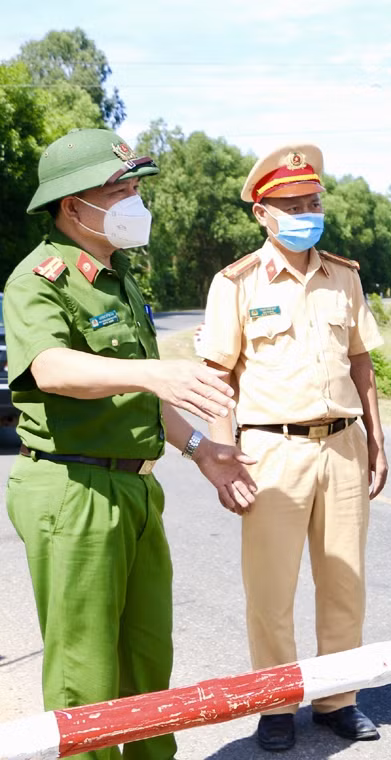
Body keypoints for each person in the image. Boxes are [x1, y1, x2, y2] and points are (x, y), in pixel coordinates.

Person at [3, 128, 258, 760]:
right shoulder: (39, 278)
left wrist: (201, 450)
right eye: (120, 191)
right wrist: (154, 372)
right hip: (73, 490)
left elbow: (139, 394)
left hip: (135, 488)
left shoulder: (121, 279)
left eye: (135, 189)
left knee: (146, 659)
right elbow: (49, 368)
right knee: (85, 673)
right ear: (73, 205)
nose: (134, 202)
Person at [196, 143, 388, 752]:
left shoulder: (344, 276)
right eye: (292, 205)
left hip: (343, 445)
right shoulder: (236, 283)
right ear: (262, 213)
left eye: (313, 202)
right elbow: (217, 378)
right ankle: (276, 703)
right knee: (271, 590)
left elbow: (361, 362)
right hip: (271, 450)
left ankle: (338, 699)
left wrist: (377, 440)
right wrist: (223, 456)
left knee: (344, 584)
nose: (307, 213)